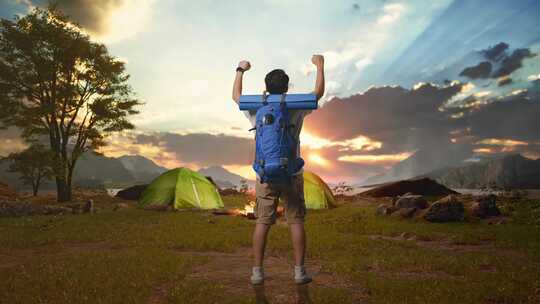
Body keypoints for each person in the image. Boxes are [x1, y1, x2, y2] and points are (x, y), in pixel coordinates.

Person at [232, 54, 325, 285]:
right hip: (291, 173)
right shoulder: (295, 107)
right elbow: (317, 94)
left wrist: (241, 70)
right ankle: (299, 272)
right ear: (287, 87)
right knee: (296, 221)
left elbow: (236, 97)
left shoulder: (256, 108)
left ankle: (257, 272)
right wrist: (320, 65)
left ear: (266, 87)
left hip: (264, 174)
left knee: (263, 222)